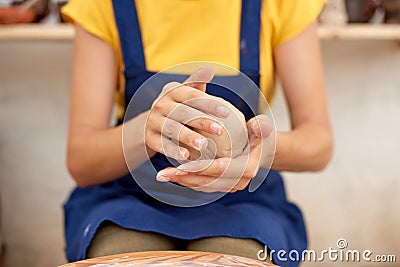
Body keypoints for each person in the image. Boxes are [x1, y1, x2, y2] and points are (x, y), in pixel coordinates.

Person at [62, 1, 333, 266]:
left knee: (232, 256)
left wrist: (259, 150)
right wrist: (147, 129)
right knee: (125, 255)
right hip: (128, 197)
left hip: (243, 198)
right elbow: (82, 161)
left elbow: (318, 143)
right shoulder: (102, 5)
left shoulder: (284, 4)